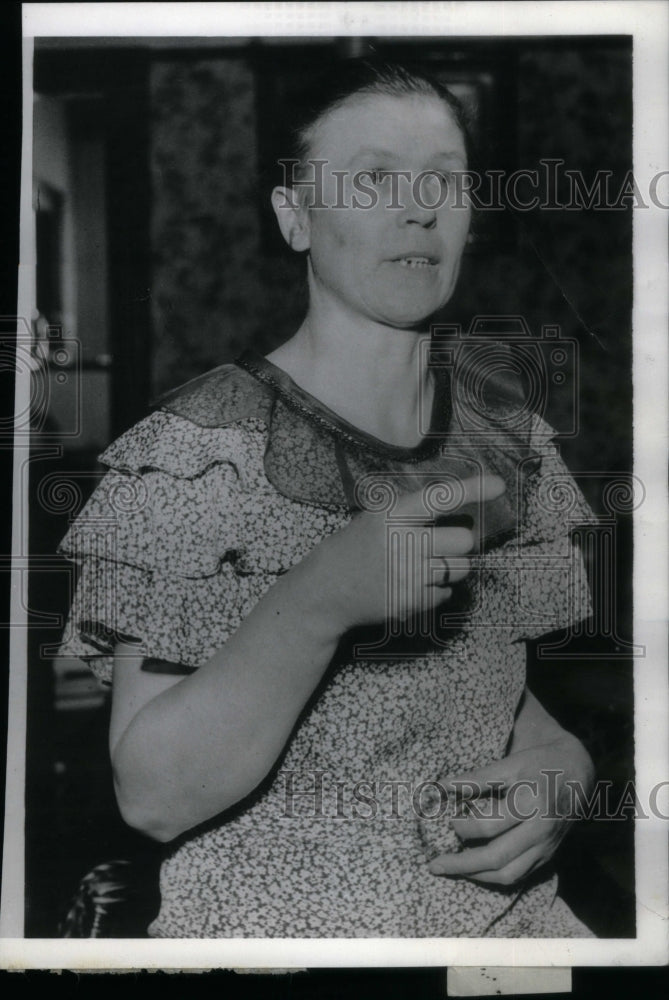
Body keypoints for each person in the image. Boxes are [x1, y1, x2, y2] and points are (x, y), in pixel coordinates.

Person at [58, 60, 598, 938]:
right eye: (374, 177)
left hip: (506, 932)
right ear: (294, 216)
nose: (418, 206)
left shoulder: (515, 440)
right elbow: (152, 797)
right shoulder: (200, 456)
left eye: (444, 180)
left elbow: (490, 693)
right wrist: (316, 601)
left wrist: (562, 769)